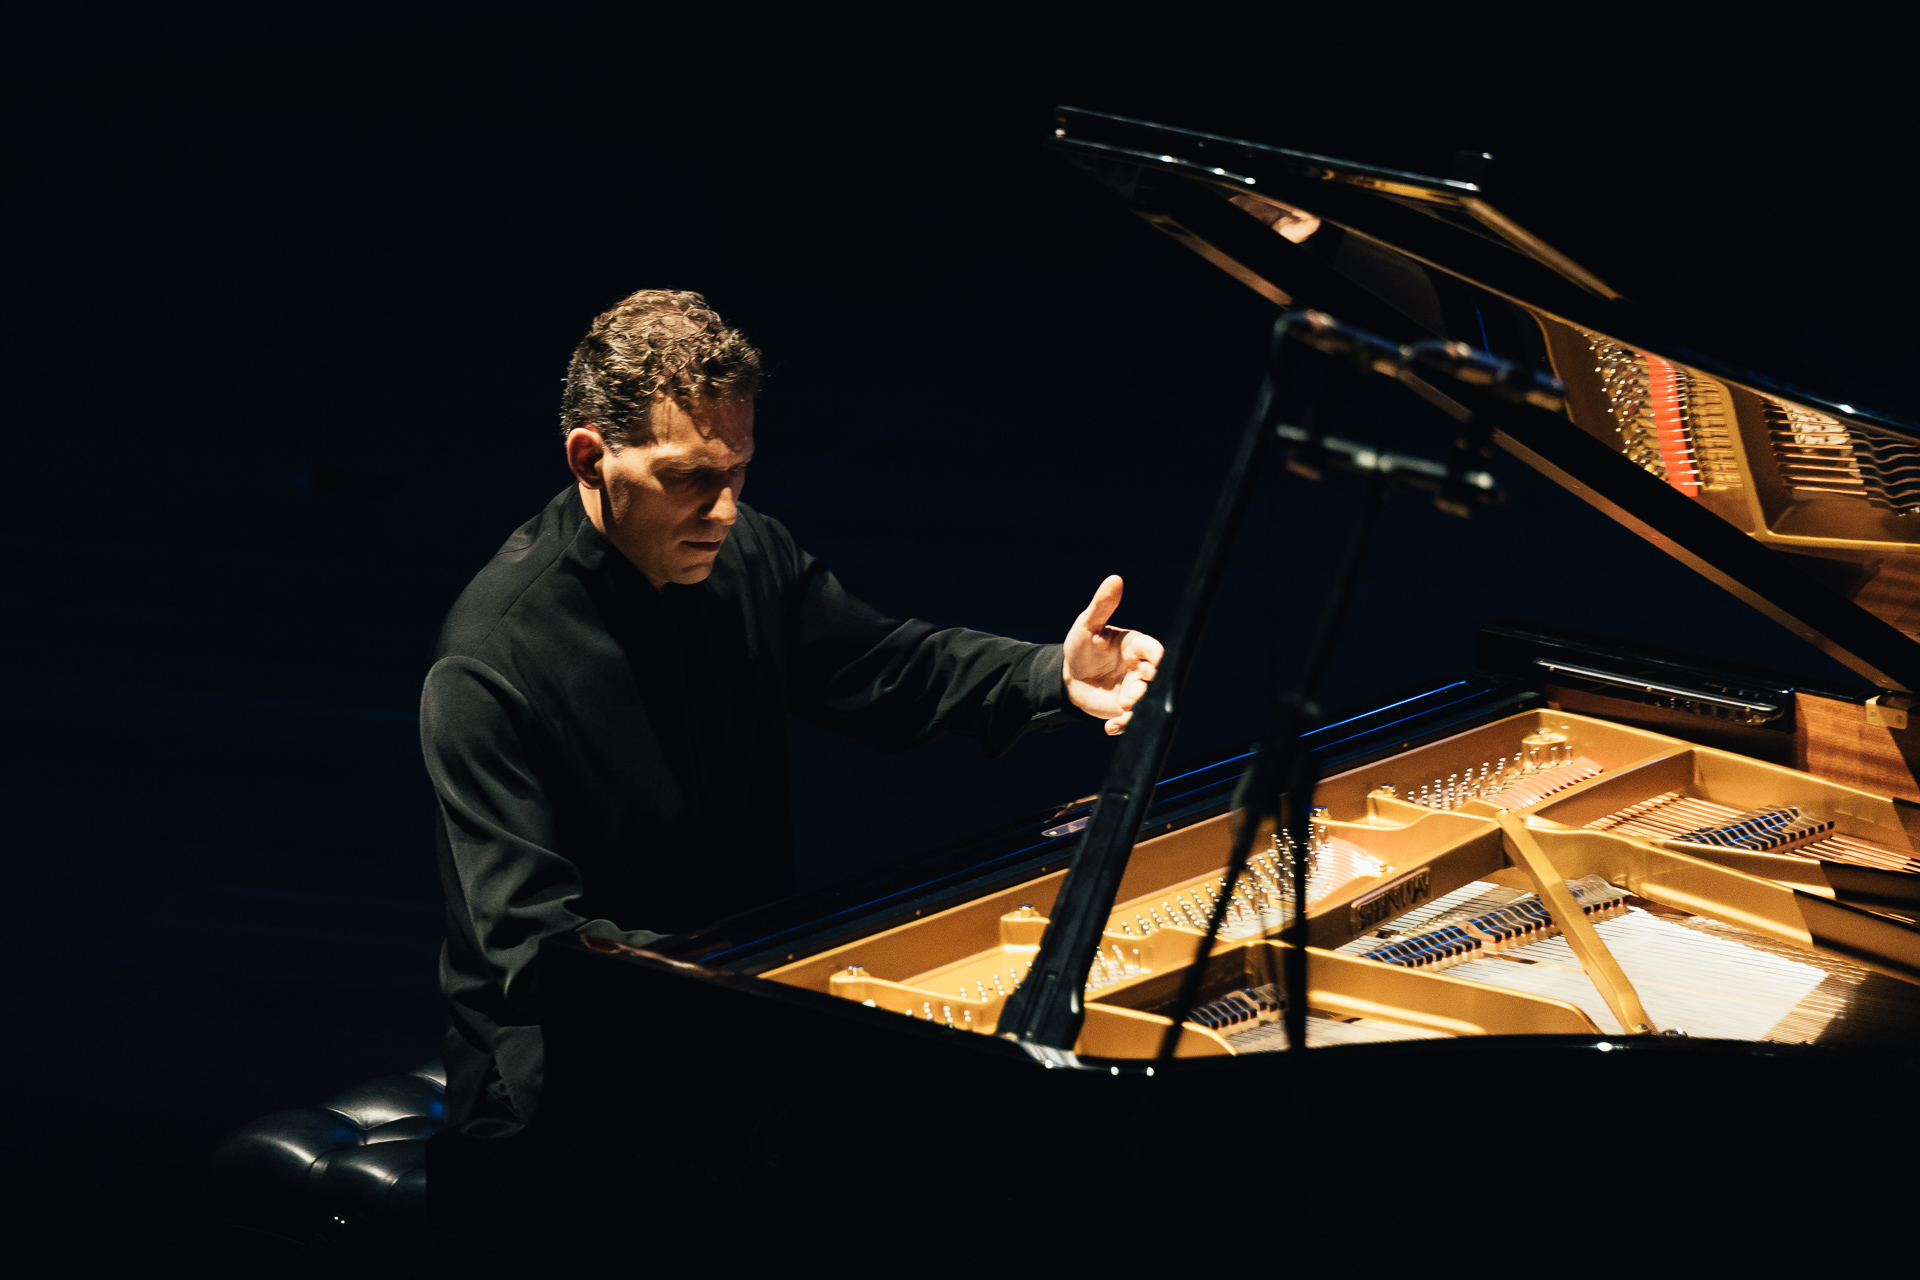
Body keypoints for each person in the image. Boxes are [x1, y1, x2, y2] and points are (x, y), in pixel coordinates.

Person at [423, 289, 1162, 1126]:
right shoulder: (489, 661)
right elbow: (537, 949)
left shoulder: (747, 555)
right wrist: (746, 997)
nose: (724, 510)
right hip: (566, 1066)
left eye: (737, 470)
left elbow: (891, 669)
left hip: (741, 999)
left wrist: (1053, 674)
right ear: (590, 458)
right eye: (688, 479)